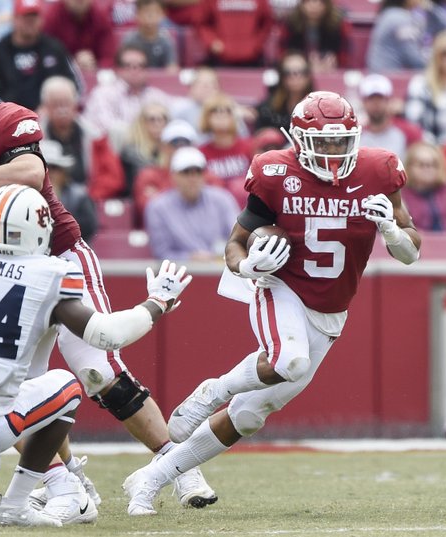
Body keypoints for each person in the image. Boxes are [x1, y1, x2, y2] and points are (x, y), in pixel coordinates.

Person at [0, 55, 217, 511]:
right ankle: (67, 485)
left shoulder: (6, 121)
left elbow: (31, 174)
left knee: (100, 370)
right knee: (13, 393)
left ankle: (179, 467)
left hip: (56, 254)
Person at [121, 90, 421, 515]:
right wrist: (248, 267)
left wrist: (391, 231)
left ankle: (150, 480)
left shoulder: (378, 170)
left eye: (341, 141)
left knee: (248, 415)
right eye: (324, 142)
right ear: (298, 139)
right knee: (290, 360)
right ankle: (214, 390)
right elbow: (236, 243)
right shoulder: (275, 171)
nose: (334, 152)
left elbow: (412, 252)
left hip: (332, 309)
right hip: (280, 287)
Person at [0, 183, 192, 526]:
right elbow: (108, 334)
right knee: (67, 386)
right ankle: (15, 504)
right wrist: (158, 302)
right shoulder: (50, 276)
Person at [145, 147, 240, 262]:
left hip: (221, 270)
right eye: (186, 173)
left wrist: (218, 256)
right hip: (179, 274)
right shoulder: (158, 207)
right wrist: (189, 258)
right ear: (173, 175)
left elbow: (238, 240)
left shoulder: (222, 199)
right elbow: (161, 253)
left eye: (197, 172)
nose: (193, 178)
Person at [0, 0, 80, 111]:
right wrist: (15, 111)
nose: (30, 22)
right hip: (9, 114)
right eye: (26, 17)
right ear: (15, 19)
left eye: (34, 17)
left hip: (49, 117)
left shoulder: (53, 47)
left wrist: (51, 108)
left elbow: (74, 84)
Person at [401, 141, 446, 232]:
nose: (428, 169)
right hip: (416, 244)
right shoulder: (401, 195)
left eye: (433, 164)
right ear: (409, 167)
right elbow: (398, 224)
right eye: (422, 165)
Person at [358, 73, 424, 160]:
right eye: (371, 99)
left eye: (380, 99)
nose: (376, 104)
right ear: (363, 103)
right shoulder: (357, 135)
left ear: (389, 101)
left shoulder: (409, 132)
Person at [42, 140, 98, 243]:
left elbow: (89, 227)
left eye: (54, 167)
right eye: (44, 167)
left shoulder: (80, 196)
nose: (49, 173)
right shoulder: (26, 196)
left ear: (63, 171)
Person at [43, 0, 117, 72]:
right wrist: (72, 65)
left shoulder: (100, 17)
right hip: (62, 76)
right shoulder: (52, 17)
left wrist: (96, 66)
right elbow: (46, 58)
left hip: (94, 73)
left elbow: (109, 58)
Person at [279, 0, 352, 73]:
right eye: (309, 1)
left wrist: (334, 63)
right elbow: (282, 55)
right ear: (301, 4)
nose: (314, 6)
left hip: (331, 71)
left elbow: (345, 57)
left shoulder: (338, 25)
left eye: (320, 2)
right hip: (296, 72)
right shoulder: (290, 23)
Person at [195, 0, 274, 67]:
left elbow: (267, 22)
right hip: (220, 59)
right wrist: (212, 42)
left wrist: (257, 44)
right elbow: (201, 22)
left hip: (252, 59)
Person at [365, 0, 427, 72]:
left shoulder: (389, 13)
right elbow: (412, 57)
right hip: (389, 75)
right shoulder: (399, 18)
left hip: (381, 73)